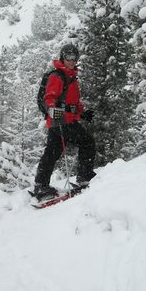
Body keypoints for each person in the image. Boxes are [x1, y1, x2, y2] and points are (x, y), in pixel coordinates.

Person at [33, 44, 96, 199]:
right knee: (87, 142)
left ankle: (41, 185)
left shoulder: (71, 78)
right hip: (60, 120)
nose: (72, 61)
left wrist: (82, 113)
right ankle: (84, 176)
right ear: (62, 57)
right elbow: (49, 98)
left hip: (63, 120)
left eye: (75, 58)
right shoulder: (57, 76)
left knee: (52, 153)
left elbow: (72, 105)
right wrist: (53, 111)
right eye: (69, 57)